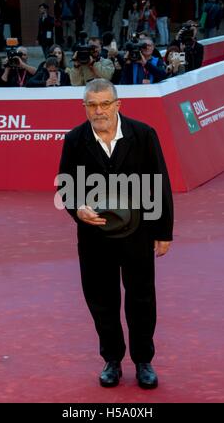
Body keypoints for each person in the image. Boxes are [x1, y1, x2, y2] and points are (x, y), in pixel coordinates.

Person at [57, 78, 174, 389]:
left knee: (141, 298)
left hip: (138, 234)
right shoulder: (74, 140)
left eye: (105, 104)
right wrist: (77, 208)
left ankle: (143, 360)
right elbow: (65, 185)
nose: (99, 110)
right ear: (84, 108)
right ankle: (111, 359)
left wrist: (164, 231)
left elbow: (159, 183)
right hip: (95, 236)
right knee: (101, 300)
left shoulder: (144, 134)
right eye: (92, 105)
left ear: (117, 104)